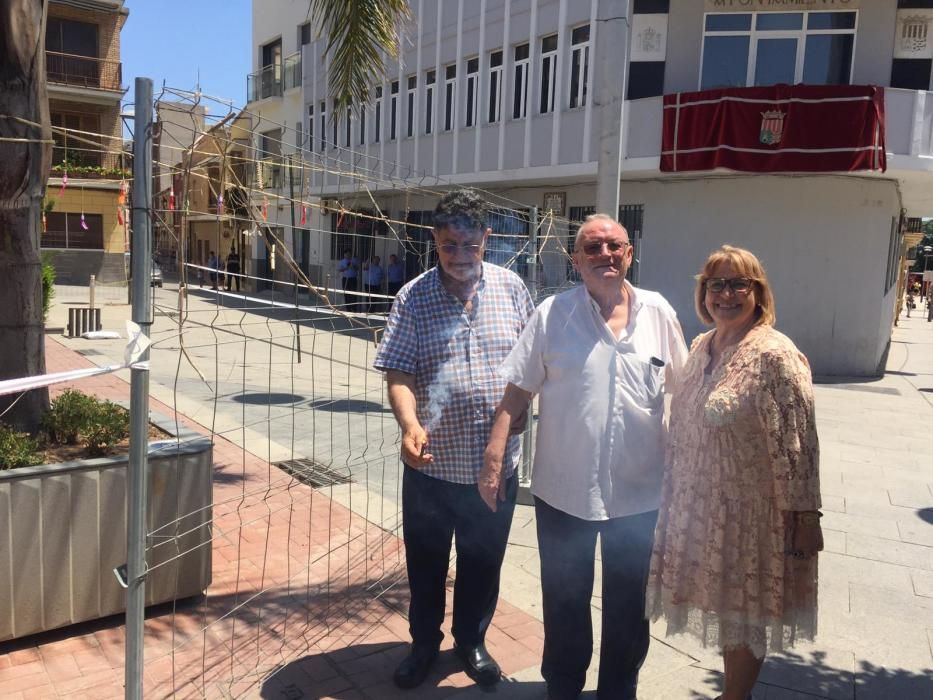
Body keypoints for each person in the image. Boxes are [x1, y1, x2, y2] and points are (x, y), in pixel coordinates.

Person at [482, 213, 687, 700]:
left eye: (614, 246)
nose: (605, 255)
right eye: (592, 248)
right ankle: (565, 686)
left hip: (640, 497)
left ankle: (619, 689)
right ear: (576, 261)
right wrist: (494, 457)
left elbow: (688, 388)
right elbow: (517, 392)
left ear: (629, 254)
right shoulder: (552, 314)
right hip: (564, 491)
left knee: (629, 606)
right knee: (565, 599)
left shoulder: (659, 312)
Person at [374, 190, 534, 690]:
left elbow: (531, 369)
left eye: (470, 243)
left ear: (487, 239)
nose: (460, 255)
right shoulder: (413, 296)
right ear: (434, 241)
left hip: (494, 466)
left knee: (483, 561)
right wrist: (409, 425)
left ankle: (471, 640)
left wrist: (524, 412)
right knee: (425, 563)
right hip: (431, 467)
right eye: (449, 245)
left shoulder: (512, 289)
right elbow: (398, 370)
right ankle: (424, 644)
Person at [646, 245, 822, 700]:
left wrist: (805, 518)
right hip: (701, 505)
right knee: (725, 608)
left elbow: (798, 445)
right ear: (703, 292)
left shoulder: (774, 354)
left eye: (738, 283)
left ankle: (736, 696)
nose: (726, 293)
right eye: (715, 284)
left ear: (758, 292)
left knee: (744, 613)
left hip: (753, 515)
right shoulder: (702, 345)